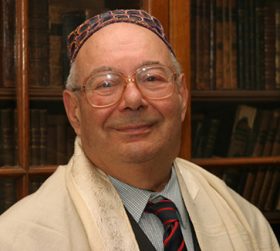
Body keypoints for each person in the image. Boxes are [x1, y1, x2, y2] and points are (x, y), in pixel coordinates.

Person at [0, 9, 278, 251]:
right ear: (74, 111)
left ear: (182, 96)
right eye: (106, 84)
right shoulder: (19, 238)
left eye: (152, 77)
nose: (133, 100)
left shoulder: (246, 221)